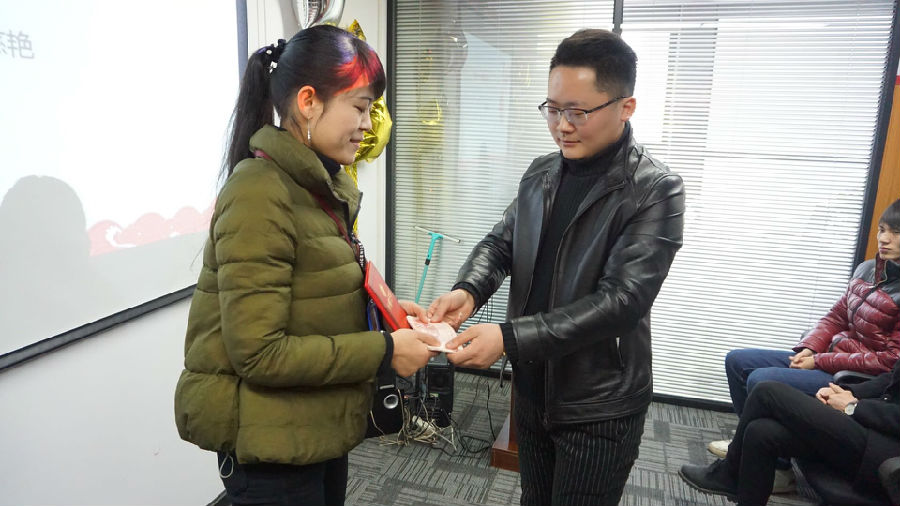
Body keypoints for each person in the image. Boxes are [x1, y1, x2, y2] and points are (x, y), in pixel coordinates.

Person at [173, 25, 437, 506]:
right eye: (360, 107)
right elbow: (260, 353)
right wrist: (384, 350)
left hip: (312, 426)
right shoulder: (260, 192)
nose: (368, 125)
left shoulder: (313, 186)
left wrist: (392, 316)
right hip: (272, 446)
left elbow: (315, 296)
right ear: (309, 102)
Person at [428, 29, 685, 506]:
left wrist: (509, 339)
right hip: (532, 387)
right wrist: (468, 290)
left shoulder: (655, 190)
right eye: (552, 109)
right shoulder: (541, 173)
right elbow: (501, 244)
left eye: (577, 112)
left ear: (625, 107)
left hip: (597, 404)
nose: (562, 125)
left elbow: (622, 302)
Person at [708, 198, 900, 479]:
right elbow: (836, 316)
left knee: (762, 380)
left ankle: (774, 466)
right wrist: (811, 347)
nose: (884, 239)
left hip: (857, 377)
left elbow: (890, 361)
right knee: (737, 361)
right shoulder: (868, 270)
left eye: (895, 232)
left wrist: (820, 360)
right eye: (882, 229)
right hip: (832, 357)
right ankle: (753, 448)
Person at [680, 360, 900, 506]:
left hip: (885, 453)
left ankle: (729, 473)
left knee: (766, 392)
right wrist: (848, 391)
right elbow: (891, 380)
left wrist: (854, 406)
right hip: (872, 430)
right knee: (761, 432)